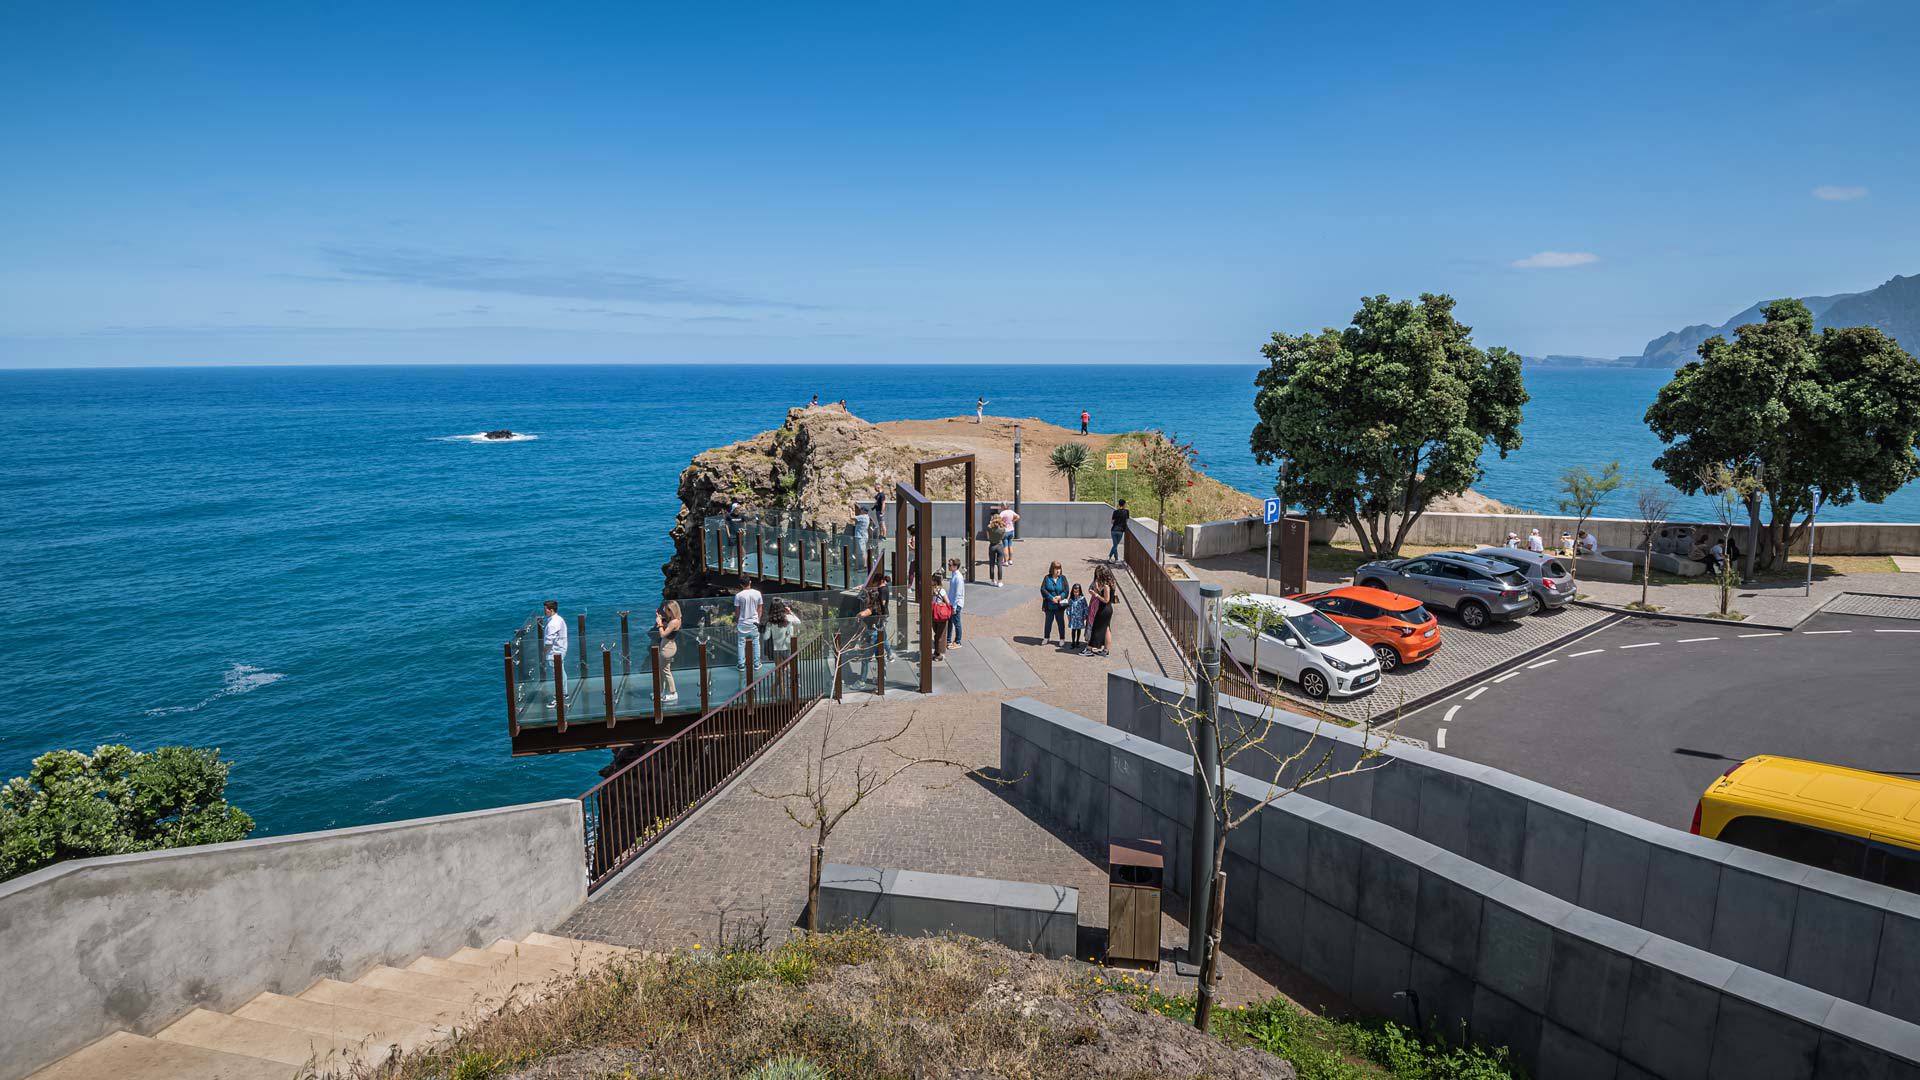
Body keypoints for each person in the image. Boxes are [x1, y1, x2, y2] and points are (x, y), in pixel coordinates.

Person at [856, 573, 890, 681]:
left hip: (874, 633)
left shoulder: (875, 605)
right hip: (877, 630)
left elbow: (869, 611)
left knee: (866, 658)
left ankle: (862, 681)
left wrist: (859, 615)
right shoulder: (877, 599)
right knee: (879, 656)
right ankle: (881, 679)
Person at [733, 578, 763, 674]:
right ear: (750, 582)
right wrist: (758, 620)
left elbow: (737, 611)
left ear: (741, 585)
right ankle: (756, 664)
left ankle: (741, 664)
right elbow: (760, 608)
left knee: (741, 643)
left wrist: (738, 621)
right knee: (756, 642)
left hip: (743, 622)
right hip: (754, 622)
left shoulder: (738, 596)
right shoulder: (758, 593)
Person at [654, 599, 682, 704]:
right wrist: (664, 621)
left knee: (665, 671)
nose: (664, 610)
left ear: (671, 610)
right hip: (667, 645)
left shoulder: (674, 622)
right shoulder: (676, 619)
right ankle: (662, 691)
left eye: (666, 609)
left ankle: (673, 693)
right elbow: (669, 628)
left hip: (667, 648)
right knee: (662, 670)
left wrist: (659, 623)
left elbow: (663, 634)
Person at [1087, 566, 1118, 657]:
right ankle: (1106, 650)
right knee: (1107, 629)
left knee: (1096, 628)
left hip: (1104, 609)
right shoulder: (1111, 582)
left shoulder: (1106, 585)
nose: (1097, 575)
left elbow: (1106, 600)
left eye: (1098, 574)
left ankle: (1089, 649)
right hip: (1108, 609)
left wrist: (1095, 594)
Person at [543, 600, 568, 709]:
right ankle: (564, 693)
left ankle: (559, 698)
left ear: (551, 610)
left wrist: (543, 653)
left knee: (557, 675)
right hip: (561, 650)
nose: (544, 612)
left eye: (545, 610)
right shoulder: (559, 619)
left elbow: (549, 642)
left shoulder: (552, 624)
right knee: (561, 672)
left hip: (554, 653)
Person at [764, 598, 801, 663]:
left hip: (776, 648)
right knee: (788, 666)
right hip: (787, 646)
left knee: (778, 668)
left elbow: (766, 637)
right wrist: (790, 612)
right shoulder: (788, 618)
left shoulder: (770, 622)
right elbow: (798, 622)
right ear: (782, 607)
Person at [1040, 561, 1070, 643]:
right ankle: (1046, 637)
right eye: (1056, 569)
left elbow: (1066, 590)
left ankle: (1062, 639)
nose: (1058, 571)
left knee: (1060, 623)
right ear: (1052, 569)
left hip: (1059, 605)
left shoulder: (1063, 578)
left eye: (1059, 569)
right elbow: (1043, 589)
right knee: (1048, 622)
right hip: (1049, 605)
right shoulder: (1047, 578)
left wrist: (1061, 596)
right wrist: (1051, 598)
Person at [928, 570, 952, 660]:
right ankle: (939, 653)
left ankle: (936, 652)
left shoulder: (931, 589)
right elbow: (948, 602)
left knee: (937, 634)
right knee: (941, 635)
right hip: (941, 615)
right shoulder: (941, 590)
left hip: (934, 614)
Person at [945, 557, 966, 650]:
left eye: (950, 565)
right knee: (949, 622)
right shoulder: (954, 575)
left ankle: (958, 641)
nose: (948, 567)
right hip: (952, 603)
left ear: (955, 566)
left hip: (956, 604)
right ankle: (948, 639)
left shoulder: (958, 577)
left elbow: (958, 594)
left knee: (956, 623)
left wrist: (954, 607)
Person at [986, 514, 1007, 585]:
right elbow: (1003, 537)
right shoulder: (1003, 529)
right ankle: (1000, 581)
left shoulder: (989, 527)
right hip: (1000, 545)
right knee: (999, 564)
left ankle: (992, 580)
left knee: (991, 564)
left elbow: (988, 537)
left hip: (992, 545)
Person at [1067, 584, 1089, 650]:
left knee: (1079, 629)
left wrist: (1085, 615)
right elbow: (1068, 608)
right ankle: (1073, 642)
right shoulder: (1071, 599)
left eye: (1077, 592)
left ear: (1080, 591)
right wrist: (1068, 616)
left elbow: (1085, 607)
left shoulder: (1082, 598)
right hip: (1073, 618)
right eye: (1074, 592)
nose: (1076, 593)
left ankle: (1077, 641)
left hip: (1080, 617)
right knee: (1073, 630)